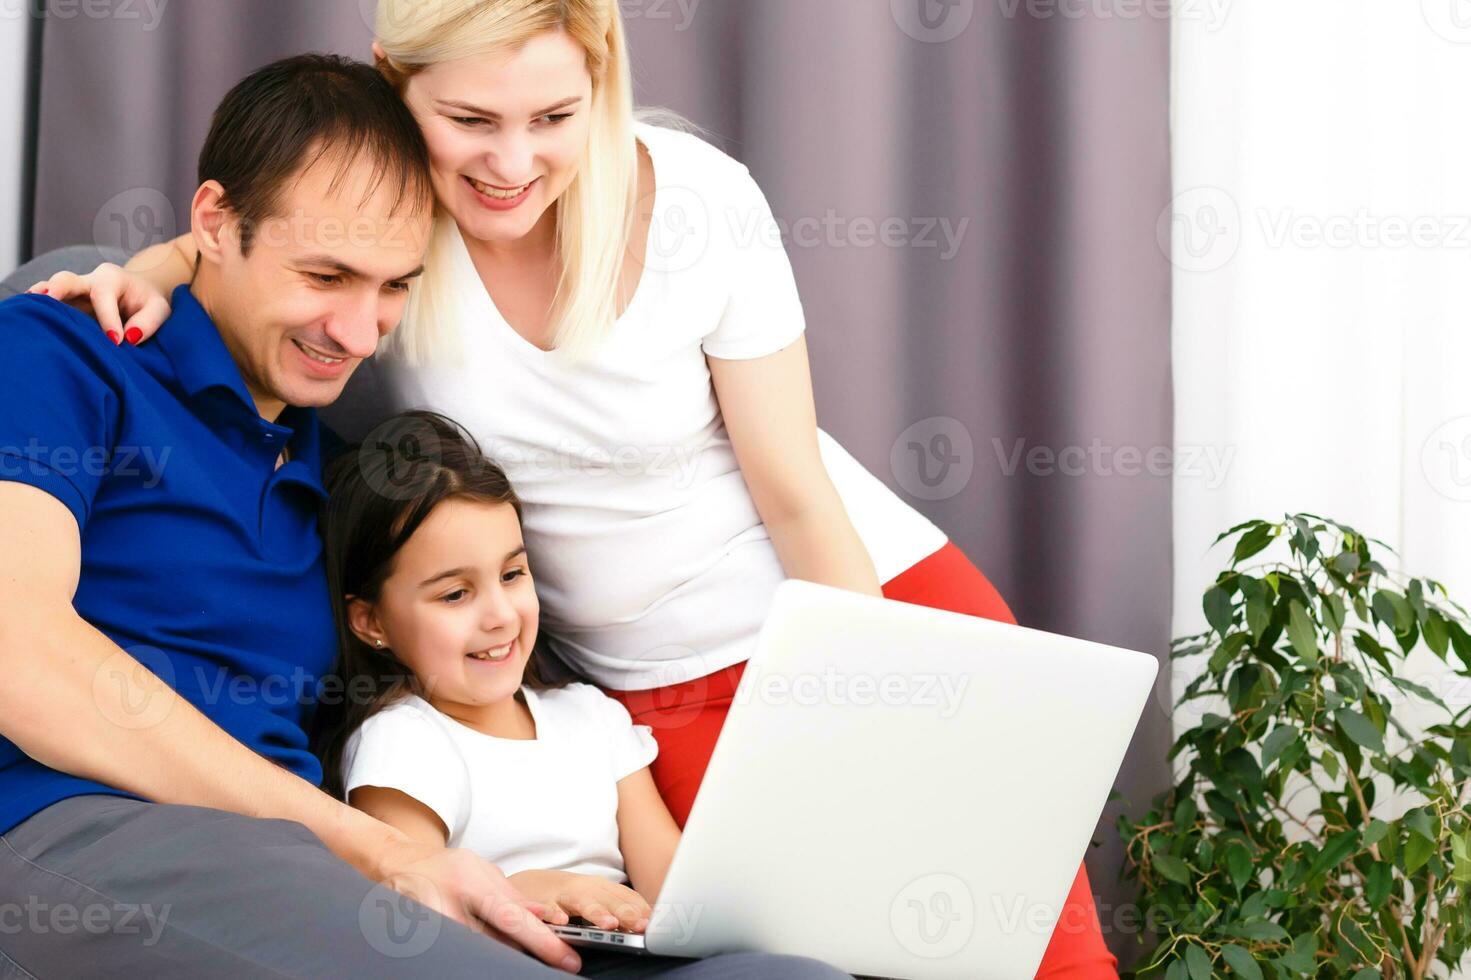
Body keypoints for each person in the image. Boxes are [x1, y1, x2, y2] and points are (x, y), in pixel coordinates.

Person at [31, 1, 1119, 973]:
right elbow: (259, 239)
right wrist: (155, 268)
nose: (513, 161)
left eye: (554, 117)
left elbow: (796, 490)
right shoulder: (389, 243)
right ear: (396, 89)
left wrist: (865, 695)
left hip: (851, 605)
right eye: (472, 120)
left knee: (1028, 950)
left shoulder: (690, 200)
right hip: (646, 683)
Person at [0, 53, 843, 980]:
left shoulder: (342, 456)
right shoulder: (62, 352)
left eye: (395, 285)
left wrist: (503, 875)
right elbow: (19, 655)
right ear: (214, 223)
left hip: (305, 861)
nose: (358, 335)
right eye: (326, 274)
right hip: (76, 824)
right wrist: (387, 857)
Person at [319, 410, 681, 940]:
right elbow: (415, 912)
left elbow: (677, 894)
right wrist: (528, 890)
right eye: (455, 594)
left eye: (512, 575)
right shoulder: (403, 740)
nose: (501, 616)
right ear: (372, 621)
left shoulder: (593, 717)